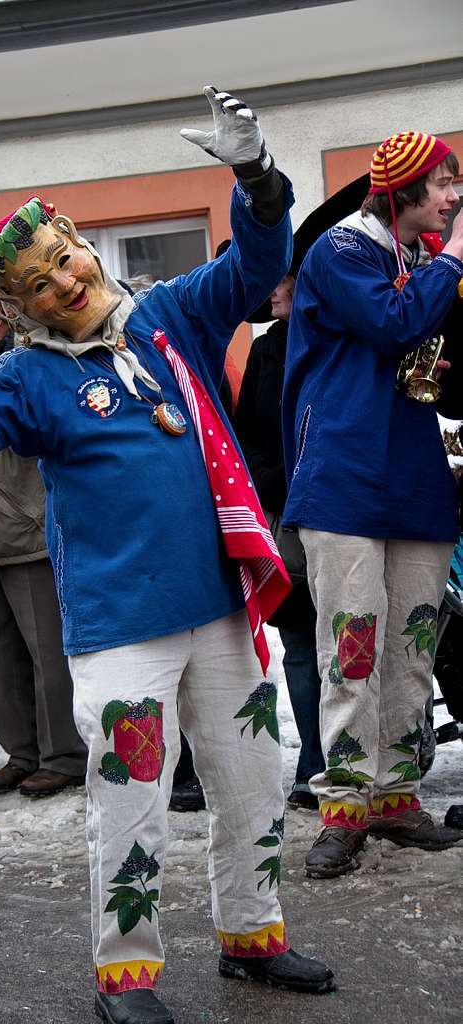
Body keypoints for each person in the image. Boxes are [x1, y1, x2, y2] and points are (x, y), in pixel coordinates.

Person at [0, 88, 335, 1024]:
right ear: (15, 308)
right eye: (38, 286)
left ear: (86, 244)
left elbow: (260, 262)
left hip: (217, 606)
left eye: (66, 260)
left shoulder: (172, 314)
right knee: (129, 802)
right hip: (118, 624)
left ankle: (253, 937)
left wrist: (255, 178)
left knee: (252, 781)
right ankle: (124, 977)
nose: (65, 286)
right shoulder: (27, 375)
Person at [281, 131, 463, 879]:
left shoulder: (418, 263)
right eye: (445, 182)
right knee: (351, 648)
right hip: (346, 478)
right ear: (404, 192)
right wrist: (453, 259)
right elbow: (394, 323)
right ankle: (344, 807)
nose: (455, 195)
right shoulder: (340, 250)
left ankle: (395, 796)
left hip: (415, 476)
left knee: (412, 645)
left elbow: (419, 349)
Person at [0, 283, 87, 797]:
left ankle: (64, 754)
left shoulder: (25, 366)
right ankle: (21, 751)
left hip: (26, 530)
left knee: (46, 652)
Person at [235, 274, 324, 811]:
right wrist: (271, 484)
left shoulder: (333, 335)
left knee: (347, 643)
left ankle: (359, 763)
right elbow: (248, 431)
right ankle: (313, 766)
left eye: (282, 280)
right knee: (299, 643)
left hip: (337, 510)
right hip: (284, 513)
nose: (271, 289)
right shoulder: (267, 348)